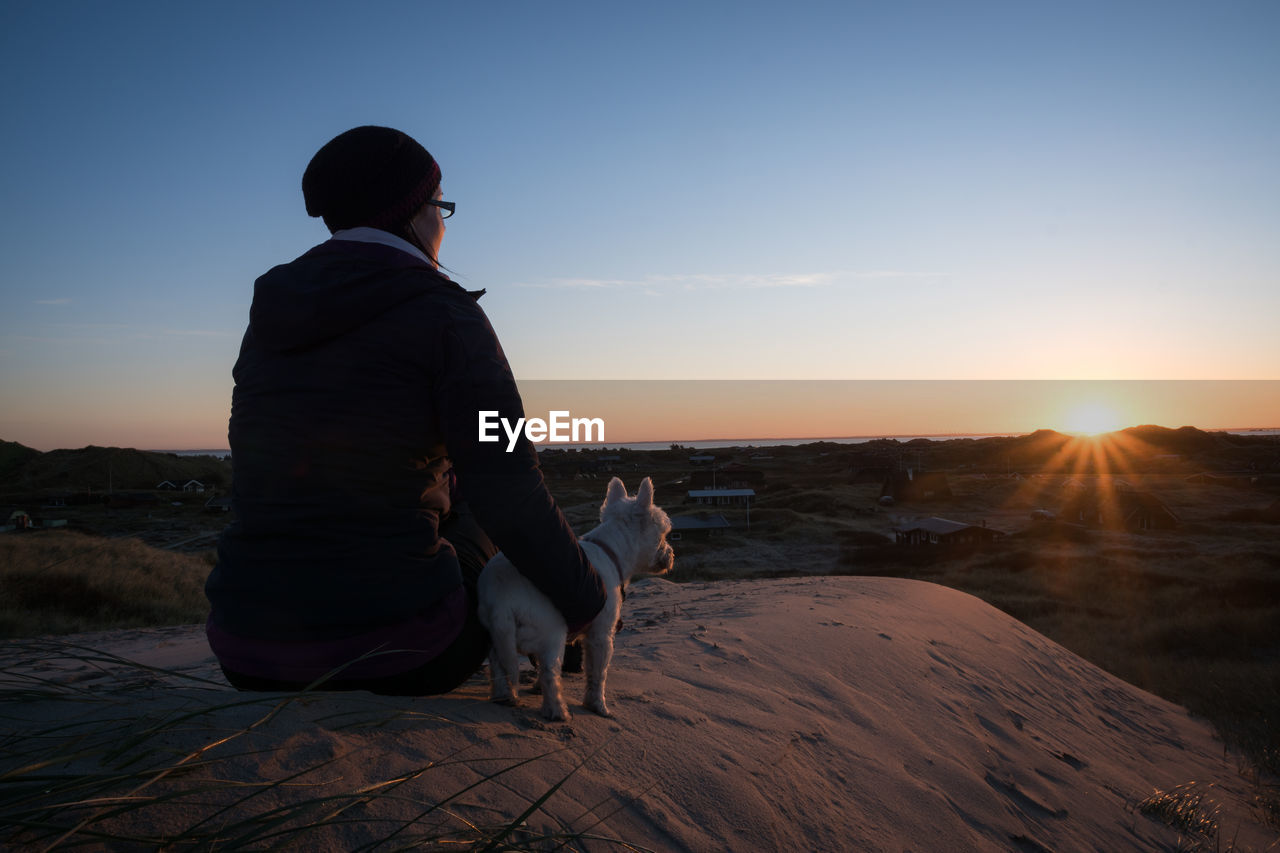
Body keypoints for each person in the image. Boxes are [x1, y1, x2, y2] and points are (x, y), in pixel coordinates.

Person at [205, 126, 605, 695]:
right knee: (476, 503)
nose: (444, 225)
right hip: (407, 652)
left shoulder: (273, 312)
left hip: (248, 649)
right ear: (415, 212)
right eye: (441, 206)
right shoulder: (443, 311)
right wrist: (588, 604)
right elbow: (510, 484)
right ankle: (554, 640)